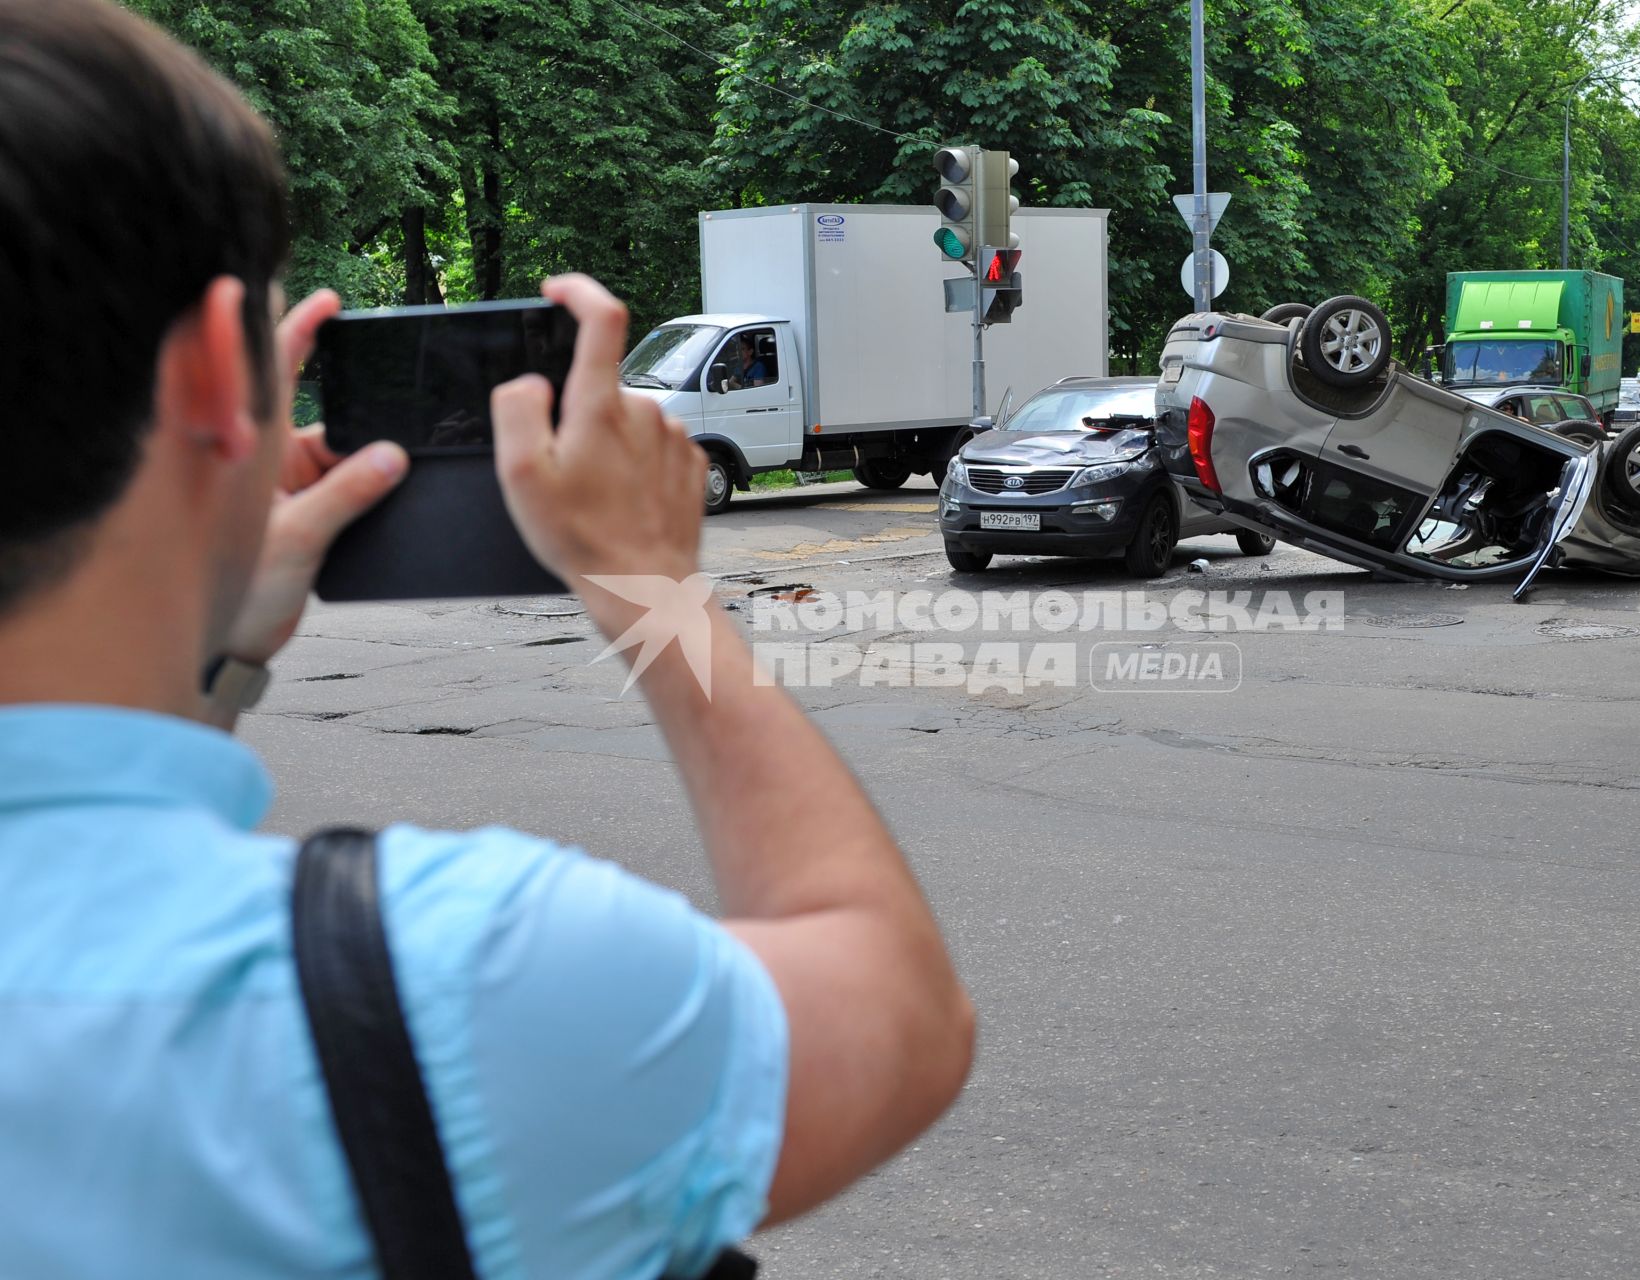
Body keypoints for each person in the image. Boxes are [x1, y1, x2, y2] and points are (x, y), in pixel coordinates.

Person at [0, 3, 973, 1276]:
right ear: (202, 385)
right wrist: (651, 590)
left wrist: (211, 665)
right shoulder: (461, 983)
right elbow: (898, 1014)